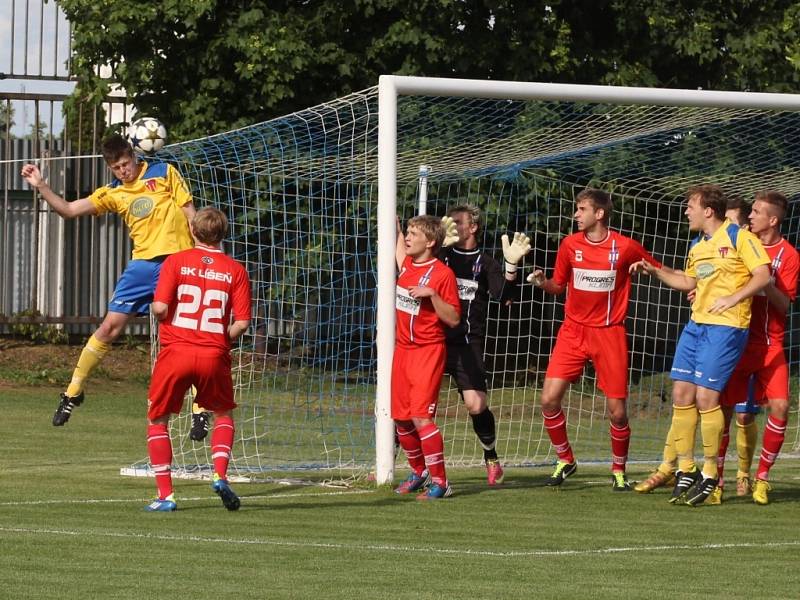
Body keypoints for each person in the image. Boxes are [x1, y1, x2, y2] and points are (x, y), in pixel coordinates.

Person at [20, 135, 196, 429]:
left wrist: (204, 254)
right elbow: (69, 211)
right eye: (116, 168)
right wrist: (41, 186)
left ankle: (199, 409)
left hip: (178, 261)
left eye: (125, 164)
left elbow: (191, 215)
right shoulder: (112, 193)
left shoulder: (164, 173)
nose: (123, 171)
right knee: (108, 327)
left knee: (185, 334)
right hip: (142, 267)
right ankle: (72, 391)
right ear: (110, 168)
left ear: (134, 157)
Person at [631, 184, 770, 506]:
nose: (686, 211)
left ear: (708, 210)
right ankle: (687, 467)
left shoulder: (739, 237)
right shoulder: (698, 245)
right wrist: (656, 271)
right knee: (680, 392)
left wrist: (733, 297)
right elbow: (689, 283)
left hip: (727, 327)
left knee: (707, 398)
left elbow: (763, 275)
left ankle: (710, 473)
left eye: (690, 205)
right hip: (697, 326)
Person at [527, 188, 663, 491]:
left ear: (599, 214)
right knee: (548, 399)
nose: (576, 214)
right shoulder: (569, 245)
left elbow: (658, 270)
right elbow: (558, 286)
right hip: (573, 331)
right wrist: (541, 282)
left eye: (582, 209)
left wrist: (676, 281)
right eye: (577, 209)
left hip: (609, 333)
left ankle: (618, 471)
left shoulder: (625, 247)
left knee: (617, 410)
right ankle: (565, 459)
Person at [144, 207, 252, 511]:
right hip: (213, 354)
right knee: (223, 414)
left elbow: (161, 308)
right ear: (223, 234)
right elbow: (242, 323)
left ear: (193, 231)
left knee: (158, 419)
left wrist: (155, 308)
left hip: (176, 351)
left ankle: (166, 496)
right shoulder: (236, 270)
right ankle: (219, 474)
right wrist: (219, 338)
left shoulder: (175, 262)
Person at [440, 204, 530, 486]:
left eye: (457, 222)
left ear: (473, 227)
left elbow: (504, 297)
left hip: (468, 342)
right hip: (434, 340)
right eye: (449, 222)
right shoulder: (441, 256)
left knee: (476, 405)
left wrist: (511, 267)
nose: (452, 226)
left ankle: (491, 458)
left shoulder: (486, 262)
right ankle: (391, 464)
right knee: (416, 404)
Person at [393, 214, 461, 500]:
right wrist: (395, 226)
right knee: (401, 419)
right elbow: (397, 248)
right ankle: (418, 472)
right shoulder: (408, 263)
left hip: (427, 352)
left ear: (430, 242)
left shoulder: (443, 275)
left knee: (421, 417)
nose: (408, 238)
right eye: (407, 232)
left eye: (414, 234)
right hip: (402, 352)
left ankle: (442, 482)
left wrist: (432, 295)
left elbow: (454, 319)